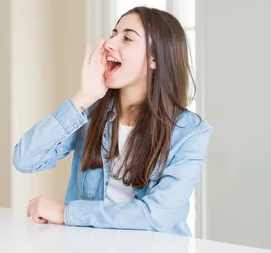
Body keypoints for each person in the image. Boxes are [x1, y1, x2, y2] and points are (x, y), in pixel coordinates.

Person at [12, 6, 212, 237]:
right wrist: (84, 97)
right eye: (113, 33)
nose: (109, 43)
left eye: (127, 38)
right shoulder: (90, 113)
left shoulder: (190, 132)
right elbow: (25, 159)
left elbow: (157, 215)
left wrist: (67, 213)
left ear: (155, 59)